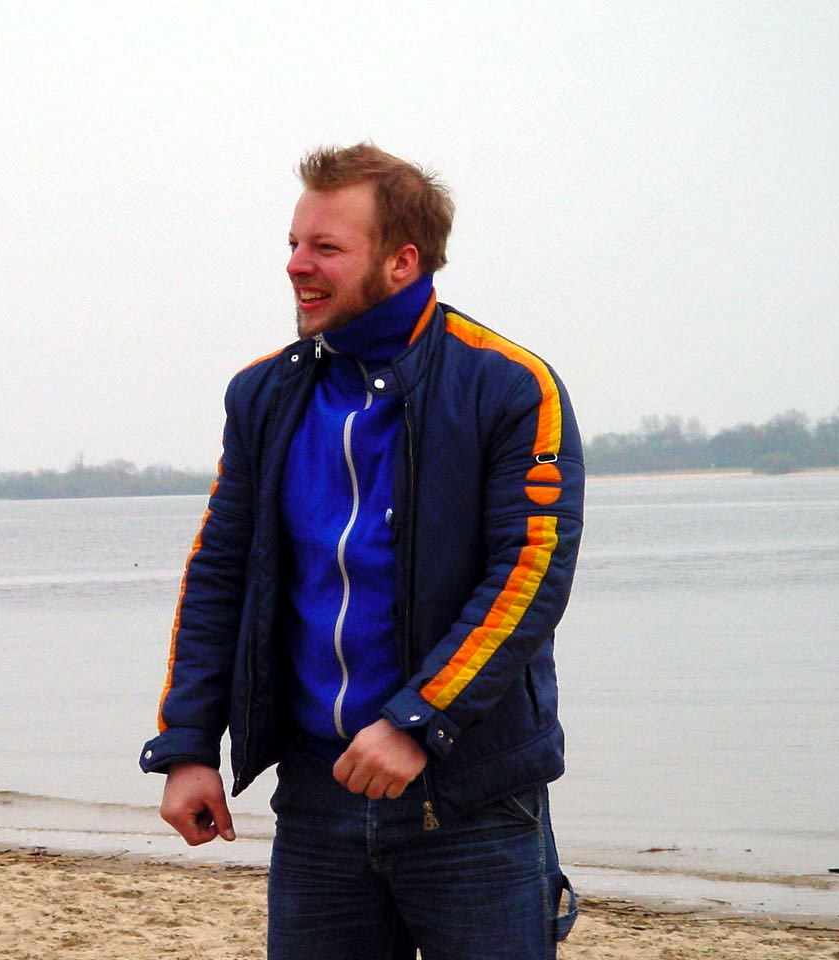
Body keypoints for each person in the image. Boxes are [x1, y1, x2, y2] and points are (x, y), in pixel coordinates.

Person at [139, 143, 583, 959]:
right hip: (319, 797)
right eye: (293, 243)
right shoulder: (264, 393)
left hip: (472, 801)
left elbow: (528, 576)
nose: (295, 265)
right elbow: (220, 575)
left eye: (325, 247)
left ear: (401, 261)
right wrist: (188, 747)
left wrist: (418, 720)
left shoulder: (509, 385)